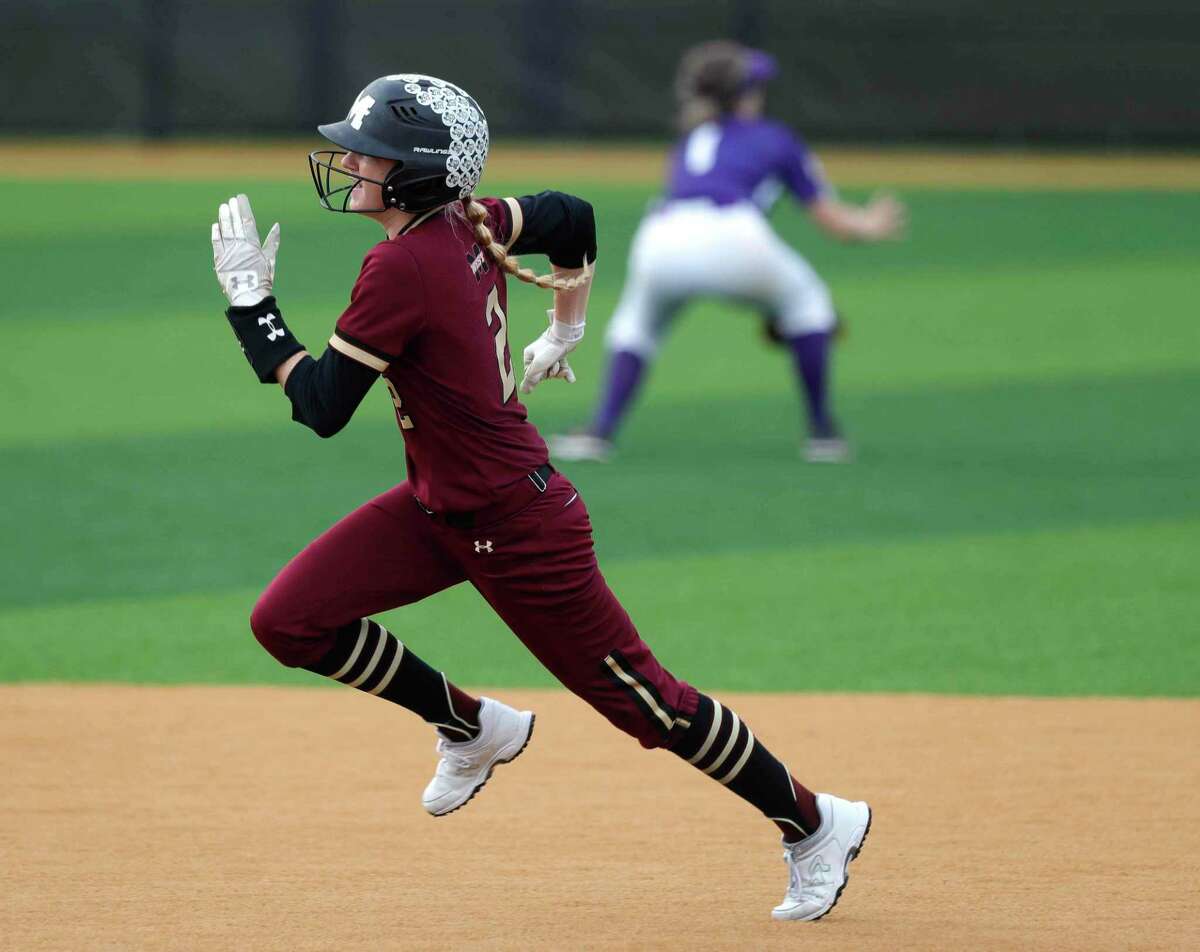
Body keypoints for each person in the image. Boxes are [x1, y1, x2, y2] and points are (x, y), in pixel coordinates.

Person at [210, 73, 871, 921]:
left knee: (649, 706)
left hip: (520, 528)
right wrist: (568, 320)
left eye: (366, 152)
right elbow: (571, 214)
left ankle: (816, 822)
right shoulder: (470, 218)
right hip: (441, 504)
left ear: (413, 172)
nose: (346, 162)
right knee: (289, 622)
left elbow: (321, 407)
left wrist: (251, 307)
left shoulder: (403, 264)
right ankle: (472, 726)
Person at [550, 41, 906, 465]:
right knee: (809, 306)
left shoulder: (689, 140)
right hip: (735, 235)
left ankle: (598, 433)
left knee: (637, 328)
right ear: (745, 95)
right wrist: (869, 225)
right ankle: (823, 434)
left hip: (662, 235)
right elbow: (832, 221)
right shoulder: (776, 138)